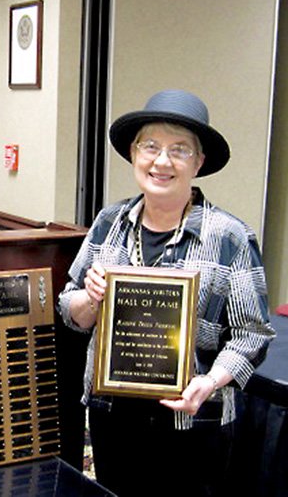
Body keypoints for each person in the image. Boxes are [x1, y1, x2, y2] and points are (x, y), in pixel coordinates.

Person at [58, 89, 275, 497]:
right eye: (151, 146)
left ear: (199, 162)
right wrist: (89, 297)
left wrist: (210, 382)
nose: (162, 161)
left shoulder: (229, 236)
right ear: (134, 154)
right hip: (111, 417)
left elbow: (252, 336)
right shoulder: (109, 223)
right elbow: (70, 309)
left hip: (194, 422)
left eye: (179, 150)